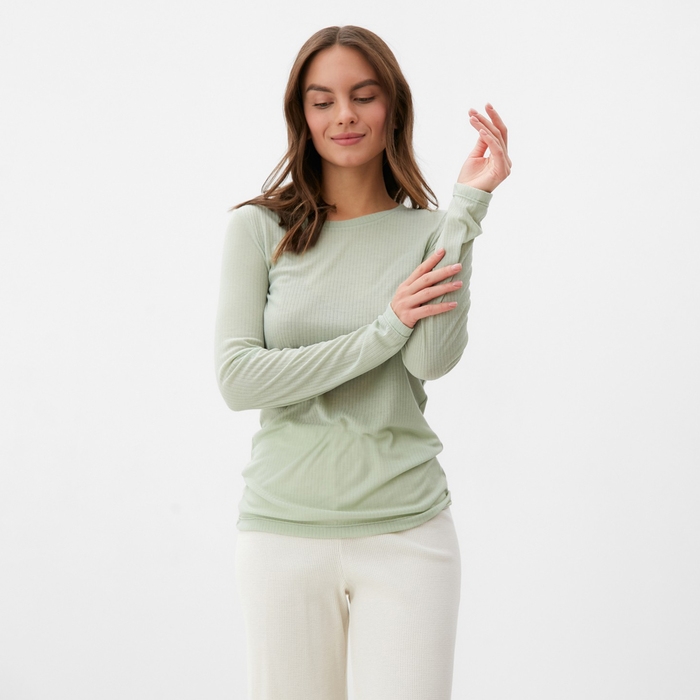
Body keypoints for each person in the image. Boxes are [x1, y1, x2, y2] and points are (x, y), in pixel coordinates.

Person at [214, 24, 511, 700]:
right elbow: (238, 379)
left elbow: (431, 358)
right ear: (302, 116)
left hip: (409, 532)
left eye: (363, 96)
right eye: (322, 101)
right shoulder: (258, 229)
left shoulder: (430, 232)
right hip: (283, 532)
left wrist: (466, 210)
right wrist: (385, 329)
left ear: (393, 108)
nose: (344, 115)